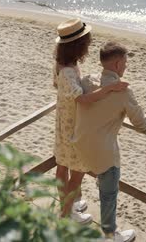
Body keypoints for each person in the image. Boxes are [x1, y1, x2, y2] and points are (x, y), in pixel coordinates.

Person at [53, 19, 128, 224]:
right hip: (73, 128)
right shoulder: (69, 71)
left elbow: (60, 88)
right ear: (78, 45)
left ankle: (66, 206)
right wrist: (108, 89)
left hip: (62, 123)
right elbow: (82, 99)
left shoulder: (63, 64)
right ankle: (66, 215)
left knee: (62, 167)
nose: (88, 45)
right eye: (86, 42)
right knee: (77, 172)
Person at [73, 42, 146, 242]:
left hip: (80, 144)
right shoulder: (123, 91)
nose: (126, 66)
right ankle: (110, 236)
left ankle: (74, 205)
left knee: (96, 172)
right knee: (109, 193)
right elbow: (142, 124)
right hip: (103, 153)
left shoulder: (88, 80)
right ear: (116, 64)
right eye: (124, 62)